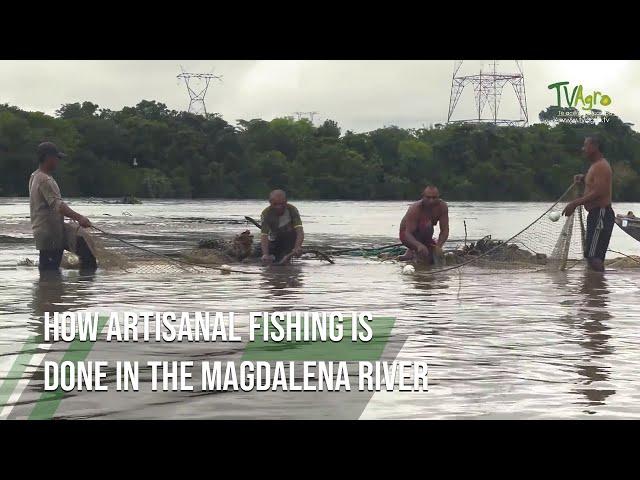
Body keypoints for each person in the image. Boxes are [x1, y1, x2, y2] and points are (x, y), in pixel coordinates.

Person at [29, 142, 97, 272]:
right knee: (49, 271)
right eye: (57, 158)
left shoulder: (35, 176)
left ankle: (57, 289)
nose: (58, 161)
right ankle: (57, 290)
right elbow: (58, 205)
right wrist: (80, 218)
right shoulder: (45, 180)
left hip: (49, 231)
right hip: (50, 234)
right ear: (48, 158)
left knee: (86, 256)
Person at [562, 135, 614, 272]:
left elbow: (599, 192)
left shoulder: (601, 166)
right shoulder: (595, 166)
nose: (583, 148)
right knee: (592, 255)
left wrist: (574, 203)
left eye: (586, 145)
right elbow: (594, 184)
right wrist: (584, 178)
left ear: (595, 147)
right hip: (596, 215)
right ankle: (596, 290)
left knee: (593, 257)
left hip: (601, 214)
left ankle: (599, 289)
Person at [399, 185, 449, 263]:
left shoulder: (442, 207)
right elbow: (407, 233)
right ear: (423, 196)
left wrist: (439, 246)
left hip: (425, 236)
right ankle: (412, 250)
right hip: (406, 236)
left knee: (432, 257)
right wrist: (419, 245)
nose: (431, 200)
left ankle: (411, 253)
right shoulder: (415, 208)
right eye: (428, 197)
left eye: (434, 197)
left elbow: (445, 230)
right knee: (427, 225)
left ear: (438, 197)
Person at [260, 189, 304, 264]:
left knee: (283, 259)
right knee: (255, 255)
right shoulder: (266, 213)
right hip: (274, 239)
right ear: (270, 202)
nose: (279, 207)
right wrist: (265, 254)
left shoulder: (292, 210)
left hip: (289, 240)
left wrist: (297, 247)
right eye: (275, 204)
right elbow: (264, 235)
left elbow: (299, 231)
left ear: (286, 201)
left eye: (282, 204)